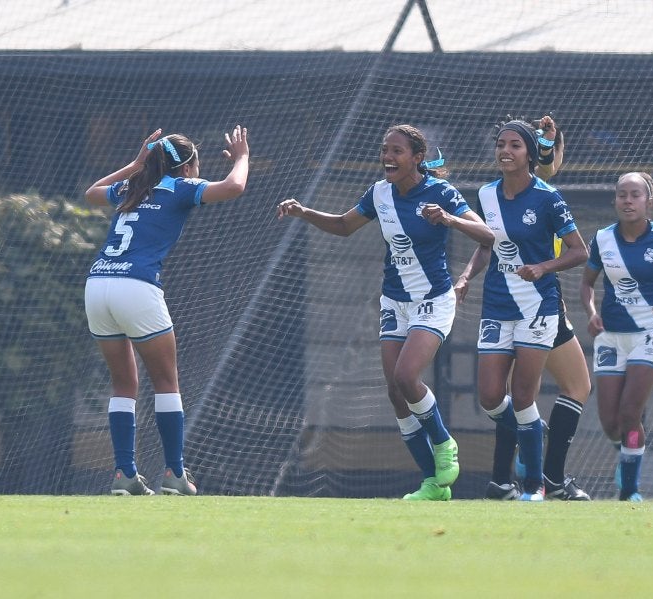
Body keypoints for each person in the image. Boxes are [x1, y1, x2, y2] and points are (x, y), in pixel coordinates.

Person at [277, 124, 494, 501]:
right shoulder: (379, 193)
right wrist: (304, 212)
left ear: (417, 157)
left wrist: (447, 218)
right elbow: (345, 226)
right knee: (395, 392)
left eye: (396, 151)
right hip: (394, 301)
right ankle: (432, 485)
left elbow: (487, 235)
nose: (387, 157)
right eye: (385, 150)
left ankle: (444, 444)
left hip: (433, 299)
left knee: (408, 376)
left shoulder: (441, 192)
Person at [85, 125, 251, 496]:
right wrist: (241, 157)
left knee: (124, 384)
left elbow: (91, 194)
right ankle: (175, 473)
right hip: (137, 287)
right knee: (166, 382)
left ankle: (124, 475)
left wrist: (134, 164)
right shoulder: (180, 188)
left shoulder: (132, 186)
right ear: (188, 165)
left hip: (97, 285)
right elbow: (234, 187)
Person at [459, 116, 592, 501]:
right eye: (501, 144)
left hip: (539, 306)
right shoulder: (486, 195)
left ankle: (533, 485)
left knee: (523, 396)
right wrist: (467, 276)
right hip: (496, 305)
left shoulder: (548, 197)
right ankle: (530, 431)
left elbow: (580, 251)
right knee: (488, 396)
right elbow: (487, 245)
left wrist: (543, 268)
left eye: (515, 145)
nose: (505, 150)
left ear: (530, 155)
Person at [580, 171, 653, 502]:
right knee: (609, 423)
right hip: (610, 337)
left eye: (635, 195)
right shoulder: (602, 238)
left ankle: (629, 489)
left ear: (649, 201)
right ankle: (628, 454)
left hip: (651, 335)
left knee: (631, 413)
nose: (627, 201)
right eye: (621, 195)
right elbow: (587, 283)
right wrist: (591, 314)